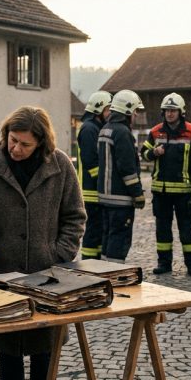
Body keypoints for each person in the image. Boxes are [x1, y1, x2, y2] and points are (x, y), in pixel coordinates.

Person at [0, 106, 86, 380]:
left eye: (25, 144)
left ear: (41, 142)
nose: (16, 148)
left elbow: (75, 217)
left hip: (48, 277)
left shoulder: (61, 165)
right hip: (4, 276)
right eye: (13, 140)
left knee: (44, 349)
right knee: (8, 350)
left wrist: (59, 254)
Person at [141, 93, 191, 276]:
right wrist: (153, 152)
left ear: (181, 112)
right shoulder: (155, 132)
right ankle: (164, 263)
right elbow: (143, 153)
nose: (170, 114)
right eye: (167, 111)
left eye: (173, 110)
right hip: (160, 192)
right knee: (162, 230)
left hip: (184, 191)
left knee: (187, 229)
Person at [97, 89, 146, 263]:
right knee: (119, 240)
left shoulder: (105, 129)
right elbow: (127, 169)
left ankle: (104, 272)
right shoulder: (122, 133)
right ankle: (114, 275)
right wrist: (137, 193)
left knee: (107, 238)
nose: (136, 115)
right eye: (135, 111)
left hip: (105, 198)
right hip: (121, 199)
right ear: (127, 111)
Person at [77, 91, 112, 259]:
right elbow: (90, 161)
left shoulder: (95, 127)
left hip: (95, 190)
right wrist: (105, 181)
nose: (110, 113)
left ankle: (96, 263)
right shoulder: (89, 129)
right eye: (107, 110)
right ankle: (89, 264)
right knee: (93, 231)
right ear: (98, 110)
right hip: (91, 191)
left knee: (98, 229)